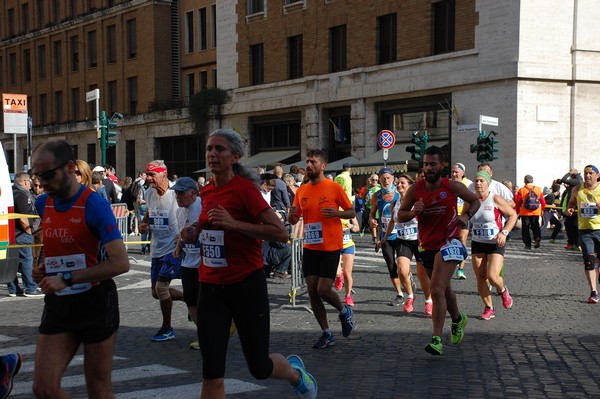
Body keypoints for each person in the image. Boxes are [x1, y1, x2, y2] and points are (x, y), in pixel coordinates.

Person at [180, 128, 317, 398]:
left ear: (235, 156)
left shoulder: (244, 190)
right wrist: (194, 230)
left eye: (220, 149)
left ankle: (295, 374)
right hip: (210, 285)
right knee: (211, 371)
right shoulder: (206, 191)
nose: (212, 154)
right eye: (209, 149)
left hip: (245, 285)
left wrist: (234, 224)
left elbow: (279, 232)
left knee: (259, 366)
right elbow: (210, 224)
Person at [30, 139, 129, 398]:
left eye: (48, 174)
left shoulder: (94, 204)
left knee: (98, 389)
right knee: (44, 388)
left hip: (95, 302)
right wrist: (43, 268)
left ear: (70, 167)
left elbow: (121, 262)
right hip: (59, 303)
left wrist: (67, 277)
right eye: (37, 175)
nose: (41, 182)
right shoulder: (43, 203)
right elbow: (59, 247)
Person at [397, 146, 480, 356]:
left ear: (441, 166)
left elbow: (475, 201)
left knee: (435, 290)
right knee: (444, 289)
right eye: (425, 164)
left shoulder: (451, 186)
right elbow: (401, 215)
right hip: (426, 245)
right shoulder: (416, 189)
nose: (428, 168)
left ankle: (436, 339)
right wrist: (415, 211)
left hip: (449, 243)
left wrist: (466, 217)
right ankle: (458, 319)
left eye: (433, 164)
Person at [289, 149, 356, 349]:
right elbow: (294, 218)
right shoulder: (301, 190)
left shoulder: (334, 187)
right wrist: (290, 215)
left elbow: (352, 211)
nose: (308, 165)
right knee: (311, 290)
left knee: (323, 289)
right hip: (310, 245)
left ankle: (344, 311)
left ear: (323, 166)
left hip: (331, 245)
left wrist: (336, 213)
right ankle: (326, 333)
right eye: (307, 161)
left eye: (313, 162)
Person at [138, 160, 184, 342]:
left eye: (152, 175)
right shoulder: (149, 193)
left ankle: (167, 328)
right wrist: (144, 224)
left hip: (173, 248)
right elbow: (150, 212)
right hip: (157, 248)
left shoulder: (175, 193)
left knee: (161, 287)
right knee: (155, 292)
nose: (149, 178)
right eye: (147, 175)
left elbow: (188, 213)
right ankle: (192, 300)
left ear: (163, 174)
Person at [380, 173, 431, 315]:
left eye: (403, 183)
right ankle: (410, 296)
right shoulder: (395, 204)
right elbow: (392, 221)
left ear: (410, 186)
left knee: (422, 275)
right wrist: (385, 238)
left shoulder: (417, 202)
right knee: (402, 271)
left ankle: (428, 300)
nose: (399, 185)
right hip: (403, 240)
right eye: (398, 183)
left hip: (418, 241)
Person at [470, 170, 518, 320]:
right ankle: (489, 308)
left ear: (488, 183)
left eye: (481, 181)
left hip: (495, 242)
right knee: (480, 277)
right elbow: (463, 217)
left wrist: (504, 232)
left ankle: (503, 290)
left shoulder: (495, 198)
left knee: (492, 276)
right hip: (477, 242)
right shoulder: (470, 200)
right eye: (476, 181)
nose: (478, 183)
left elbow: (513, 215)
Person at [171, 177, 203, 350]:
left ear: (193, 194)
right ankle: (204, 334)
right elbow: (182, 232)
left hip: (204, 262)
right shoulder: (179, 211)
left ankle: (211, 333)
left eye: (181, 193)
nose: (177, 196)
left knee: (204, 300)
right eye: (176, 193)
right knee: (190, 299)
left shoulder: (202, 206)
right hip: (188, 261)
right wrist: (178, 247)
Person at [565, 165, 600, 303]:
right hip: (585, 230)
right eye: (586, 173)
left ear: (597, 175)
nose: (587, 176)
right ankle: (593, 292)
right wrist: (569, 210)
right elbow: (571, 203)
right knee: (588, 261)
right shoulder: (577, 189)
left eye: (591, 173)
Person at [372, 168, 406, 306]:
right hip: (385, 237)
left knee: (402, 266)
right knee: (391, 266)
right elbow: (372, 213)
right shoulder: (376, 196)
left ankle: (407, 279)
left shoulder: (400, 194)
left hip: (401, 235)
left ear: (393, 178)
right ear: (379, 180)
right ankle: (399, 294)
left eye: (388, 178)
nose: (386, 181)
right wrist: (371, 220)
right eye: (383, 178)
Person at [7, 172, 42, 297]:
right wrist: (29, 231)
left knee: (13, 262)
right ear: (26, 182)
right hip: (21, 233)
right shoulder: (21, 194)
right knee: (27, 260)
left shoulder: (11, 192)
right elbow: (23, 217)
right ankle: (30, 288)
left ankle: (13, 289)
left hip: (12, 232)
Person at [451, 163, 472, 280]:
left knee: (462, 240)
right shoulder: (448, 183)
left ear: (463, 173)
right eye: (453, 172)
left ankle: (460, 269)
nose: (454, 174)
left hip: (463, 216)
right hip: (450, 217)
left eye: (456, 172)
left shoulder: (468, 184)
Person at [334, 214, 360, 306]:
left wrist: (351, 226)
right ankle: (338, 277)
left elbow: (357, 228)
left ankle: (348, 296)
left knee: (347, 273)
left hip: (348, 245)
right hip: (335, 246)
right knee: (337, 272)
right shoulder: (332, 210)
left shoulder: (349, 211)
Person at [514, 175, 546, 249]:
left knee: (525, 229)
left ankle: (527, 244)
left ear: (525, 181)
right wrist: (542, 210)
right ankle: (537, 237)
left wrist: (517, 211)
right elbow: (543, 201)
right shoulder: (538, 189)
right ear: (532, 181)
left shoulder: (522, 190)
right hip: (536, 211)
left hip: (524, 212)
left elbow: (518, 202)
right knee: (535, 226)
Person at [562, 168, 583, 251]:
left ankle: (576, 244)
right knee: (570, 227)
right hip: (571, 208)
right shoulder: (575, 181)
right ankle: (572, 243)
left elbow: (563, 179)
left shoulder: (577, 180)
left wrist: (569, 173)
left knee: (574, 227)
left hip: (574, 209)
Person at [363, 174, 380, 243]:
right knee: (372, 222)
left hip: (378, 208)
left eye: (376, 180)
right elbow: (363, 196)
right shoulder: (367, 188)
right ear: (370, 180)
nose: (374, 181)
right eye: (373, 180)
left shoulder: (380, 187)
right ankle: (375, 237)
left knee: (378, 224)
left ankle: (378, 238)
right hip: (370, 208)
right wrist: (363, 205)